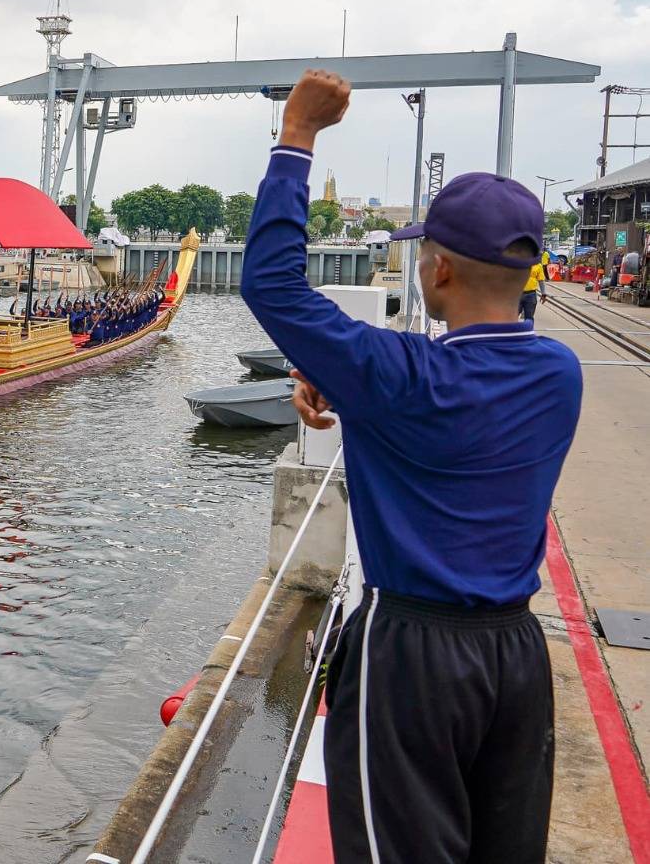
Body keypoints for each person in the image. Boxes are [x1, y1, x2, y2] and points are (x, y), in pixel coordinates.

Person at [240, 69, 581, 864]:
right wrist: (354, 392)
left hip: (412, 660)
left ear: (439, 272)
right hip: (514, 656)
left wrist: (297, 136)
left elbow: (272, 285)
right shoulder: (560, 375)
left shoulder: (398, 375)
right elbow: (462, 402)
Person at [519, 249, 549, 321]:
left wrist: (543, 293)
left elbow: (541, 280)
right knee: (511, 318)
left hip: (531, 294)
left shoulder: (538, 266)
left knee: (529, 317)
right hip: (516, 294)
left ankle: (528, 331)